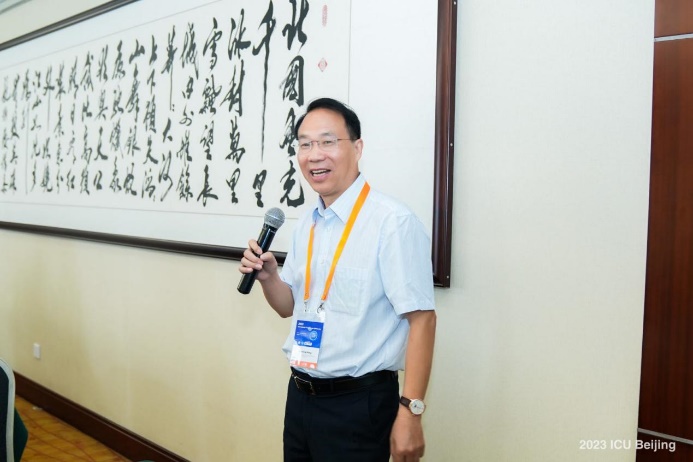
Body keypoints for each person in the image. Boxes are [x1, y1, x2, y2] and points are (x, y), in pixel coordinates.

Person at [239, 97, 436, 462]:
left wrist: (411, 412)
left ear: (357, 148)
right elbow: (288, 307)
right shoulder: (308, 223)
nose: (314, 155)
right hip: (301, 396)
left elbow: (422, 319)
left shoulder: (392, 222)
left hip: (358, 406)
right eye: (305, 144)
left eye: (328, 142)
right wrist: (269, 278)